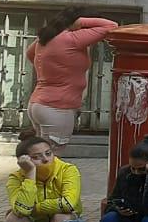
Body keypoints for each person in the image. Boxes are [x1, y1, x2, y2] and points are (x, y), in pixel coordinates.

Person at [25, 8, 118, 152]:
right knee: (51, 158)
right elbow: (111, 26)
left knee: (40, 156)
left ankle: (31, 174)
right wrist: (80, 21)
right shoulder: (72, 38)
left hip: (38, 105)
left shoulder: (46, 37)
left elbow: (30, 54)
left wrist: (53, 70)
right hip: (58, 108)